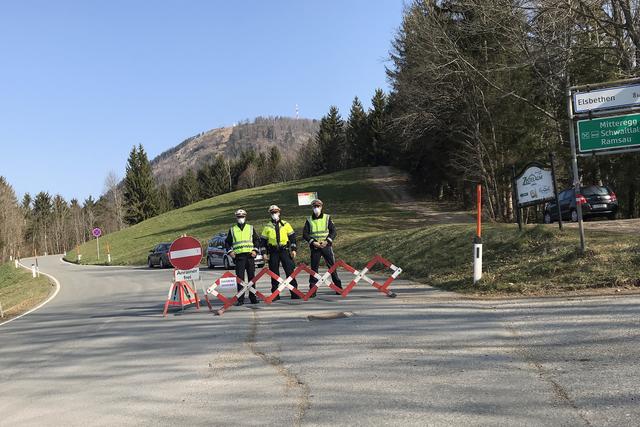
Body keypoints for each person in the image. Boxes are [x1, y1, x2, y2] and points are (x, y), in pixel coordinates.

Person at [303, 199, 342, 296]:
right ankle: (312, 291)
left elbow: (333, 231)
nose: (316, 208)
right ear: (312, 208)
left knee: (332, 267)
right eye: (314, 206)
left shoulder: (327, 218)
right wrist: (313, 242)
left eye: (318, 206)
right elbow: (305, 234)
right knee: (314, 269)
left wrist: (327, 241)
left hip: (326, 246)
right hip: (315, 247)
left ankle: (338, 288)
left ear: (321, 207)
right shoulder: (309, 220)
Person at [260, 205, 299, 300]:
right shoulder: (267, 227)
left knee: (290, 272)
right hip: (273, 252)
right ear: (270, 214)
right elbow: (263, 242)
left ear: (279, 212)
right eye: (272, 212)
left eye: (276, 212)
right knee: (274, 274)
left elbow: (293, 238)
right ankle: (275, 294)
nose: (274, 214)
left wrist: (293, 250)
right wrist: (264, 253)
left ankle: (294, 293)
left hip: (284, 251)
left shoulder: (286, 224)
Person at [225, 209, 261, 305]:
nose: (241, 218)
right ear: (236, 218)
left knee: (251, 278)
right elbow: (227, 242)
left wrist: (255, 250)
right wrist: (230, 252)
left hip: (250, 256)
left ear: (245, 217)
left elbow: (257, 240)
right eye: (239, 217)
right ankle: (240, 299)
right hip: (239, 257)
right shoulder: (232, 230)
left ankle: (253, 298)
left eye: (242, 216)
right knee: (240, 279)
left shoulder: (250, 228)